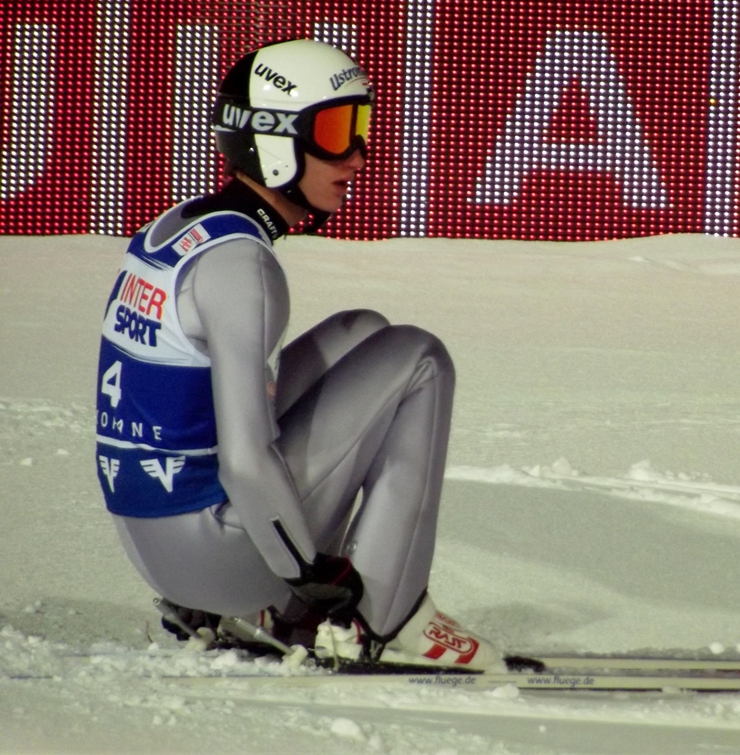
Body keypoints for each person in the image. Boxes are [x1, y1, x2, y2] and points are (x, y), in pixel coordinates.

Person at [95, 39, 499, 669]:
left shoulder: (181, 226)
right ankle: (385, 619)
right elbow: (246, 460)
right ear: (275, 141)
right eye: (338, 131)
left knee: (362, 330)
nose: (360, 155)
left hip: (162, 546)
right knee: (420, 356)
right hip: (215, 555)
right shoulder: (244, 267)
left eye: (362, 126)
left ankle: (233, 603)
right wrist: (312, 580)